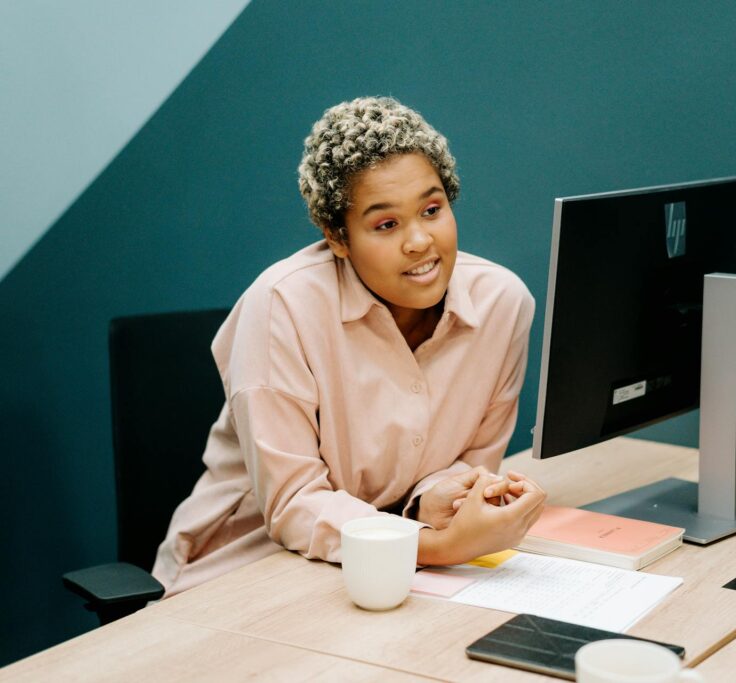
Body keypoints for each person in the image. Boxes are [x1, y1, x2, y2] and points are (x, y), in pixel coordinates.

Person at [152, 96, 546, 596]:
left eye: (432, 210)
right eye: (386, 224)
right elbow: (294, 504)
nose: (419, 241)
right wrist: (437, 546)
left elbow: (470, 464)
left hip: (384, 573)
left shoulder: (502, 304)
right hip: (241, 574)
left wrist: (437, 501)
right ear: (337, 237)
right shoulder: (281, 306)